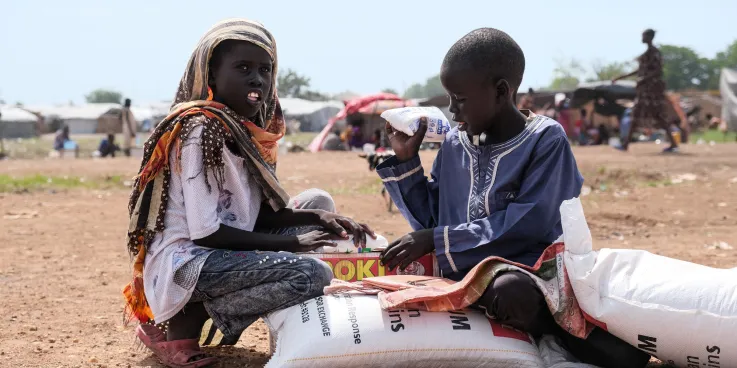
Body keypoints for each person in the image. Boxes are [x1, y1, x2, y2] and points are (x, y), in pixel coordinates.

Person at [376, 28, 650, 368]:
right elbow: (433, 220)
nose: (452, 111)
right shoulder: (454, 145)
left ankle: (560, 330)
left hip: (531, 269)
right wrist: (406, 162)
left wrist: (437, 238)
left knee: (509, 293)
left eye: (459, 99)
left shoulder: (545, 140)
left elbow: (529, 222)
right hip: (464, 271)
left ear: (501, 92)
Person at [123, 19, 374, 367]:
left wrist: (321, 218)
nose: (257, 79)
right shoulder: (201, 130)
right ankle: (181, 322)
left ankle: (191, 316)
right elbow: (206, 233)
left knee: (318, 200)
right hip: (189, 261)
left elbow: (253, 215)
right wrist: (293, 246)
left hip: (221, 250)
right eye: (243, 68)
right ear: (211, 77)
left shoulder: (244, 130)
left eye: (265, 70)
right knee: (312, 274)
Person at [612, 29, 679, 153]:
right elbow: (640, 70)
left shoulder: (654, 53)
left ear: (649, 37)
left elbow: (658, 71)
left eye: (643, 36)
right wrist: (621, 77)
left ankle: (626, 145)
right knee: (637, 116)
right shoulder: (647, 54)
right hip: (645, 92)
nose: (642, 38)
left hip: (651, 93)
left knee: (655, 117)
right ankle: (625, 144)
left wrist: (644, 79)